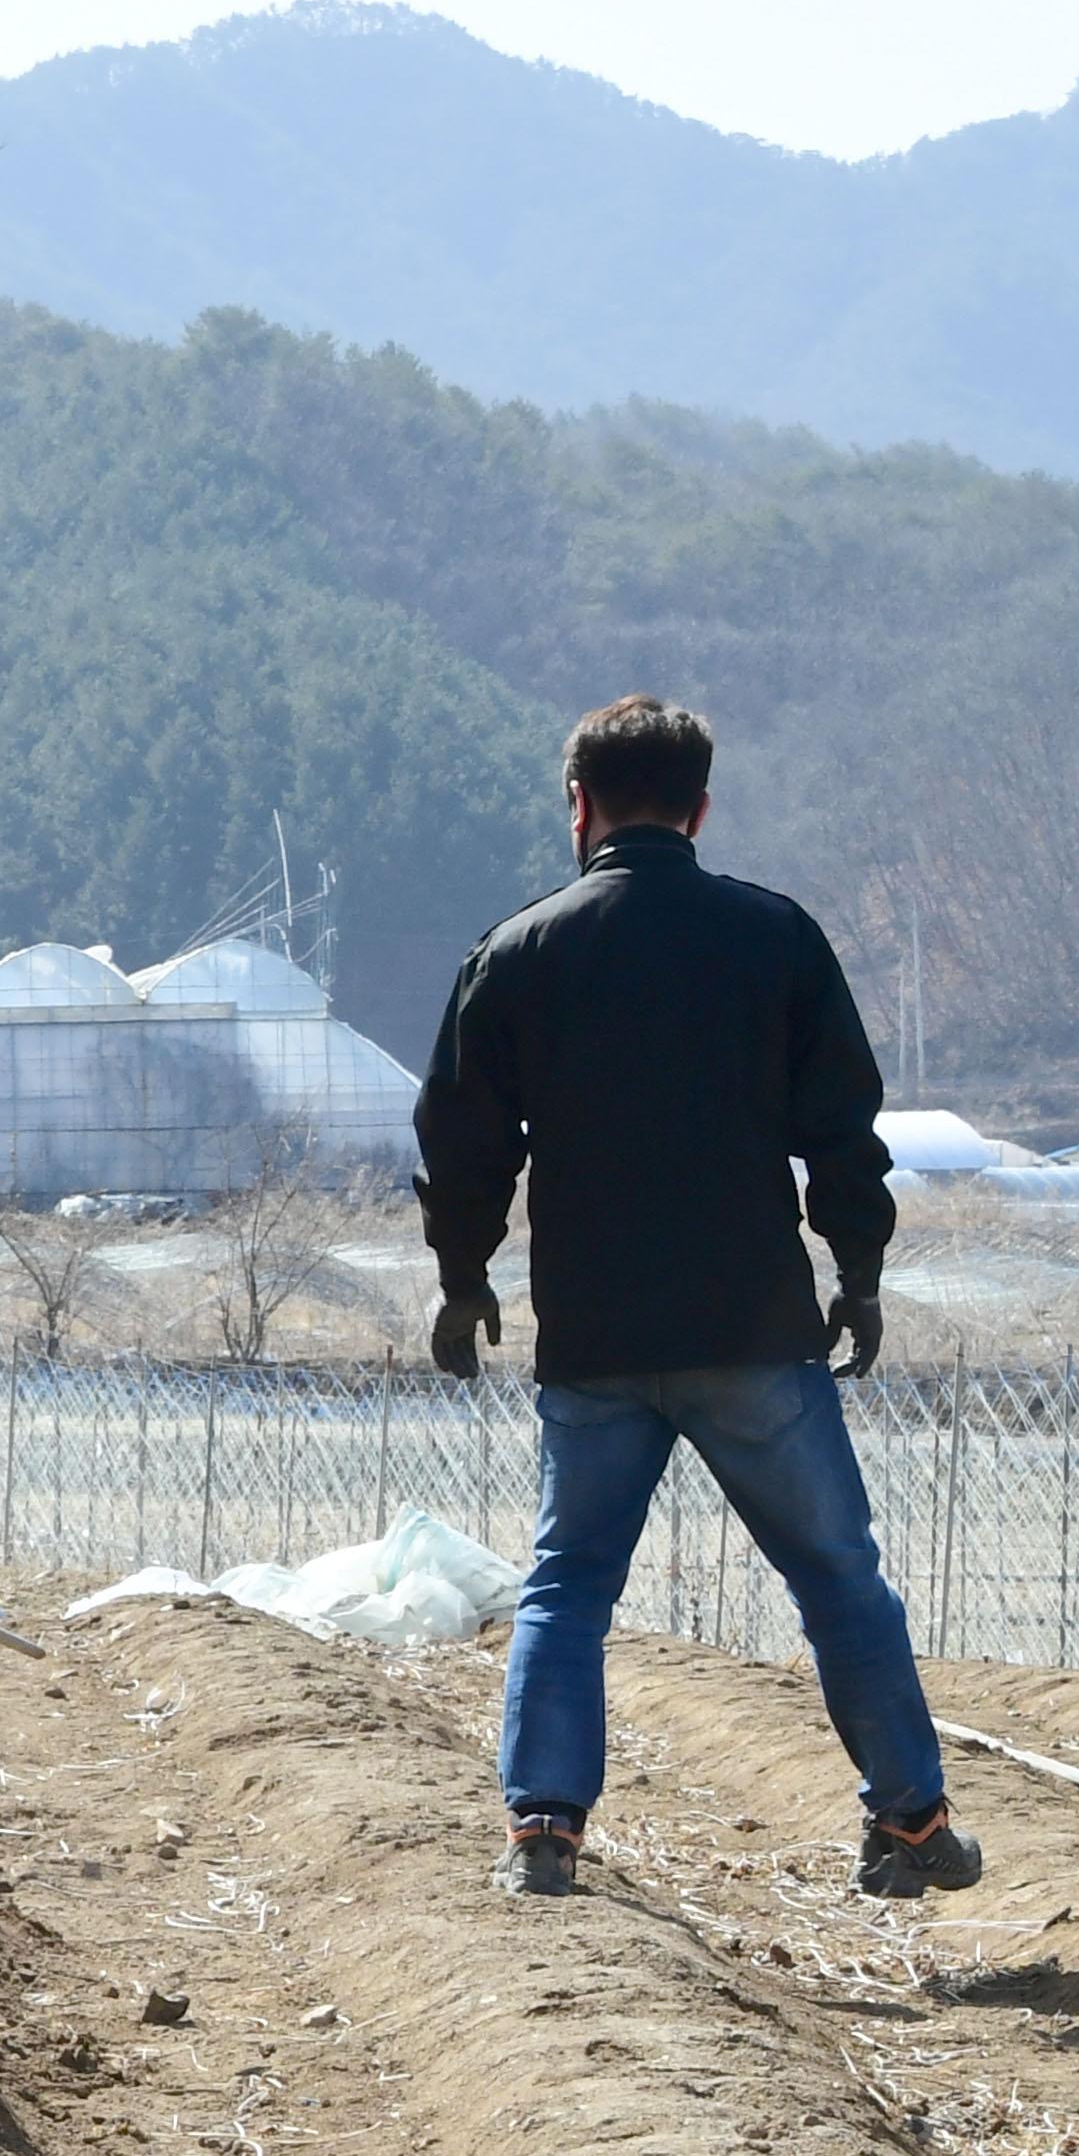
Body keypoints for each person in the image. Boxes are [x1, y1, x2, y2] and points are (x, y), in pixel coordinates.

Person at [414, 692, 977, 1905]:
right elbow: (842, 1130)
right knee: (837, 1577)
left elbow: (462, 1144)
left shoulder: (518, 952)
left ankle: (543, 1834)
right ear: (700, 806)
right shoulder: (773, 939)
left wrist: (464, 1281)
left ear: (580, 806)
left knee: (566, 1584)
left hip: (596, 1337)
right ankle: (913, 1825)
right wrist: (858, 1269)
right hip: (751, 1331)